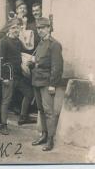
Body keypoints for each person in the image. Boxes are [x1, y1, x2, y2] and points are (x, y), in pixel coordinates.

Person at [31, 17, 63, 151]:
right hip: (36, 80)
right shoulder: (40, 43)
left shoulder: (54, 44)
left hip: (46, 83)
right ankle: (43, 135)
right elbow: (38, 60)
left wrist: (52, 84)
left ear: (49, 28)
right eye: (38, 28)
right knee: (41, 110)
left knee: (49, 112)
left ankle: (50, 140)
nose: (40, 30)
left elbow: (57, 66)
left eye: (43, 28)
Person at [0, 18, 34, 135]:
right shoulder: (4, 42)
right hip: (9, 76)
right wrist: (4, 77)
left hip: (19, 76)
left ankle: (23, 117)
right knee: (6, 100)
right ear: (9, 29)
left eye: (17, 27)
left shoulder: (18, 41)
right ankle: (3, 124)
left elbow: (28, 50)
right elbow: (0, 61)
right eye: (13, 28)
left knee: (29, 93)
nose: (15, 30)